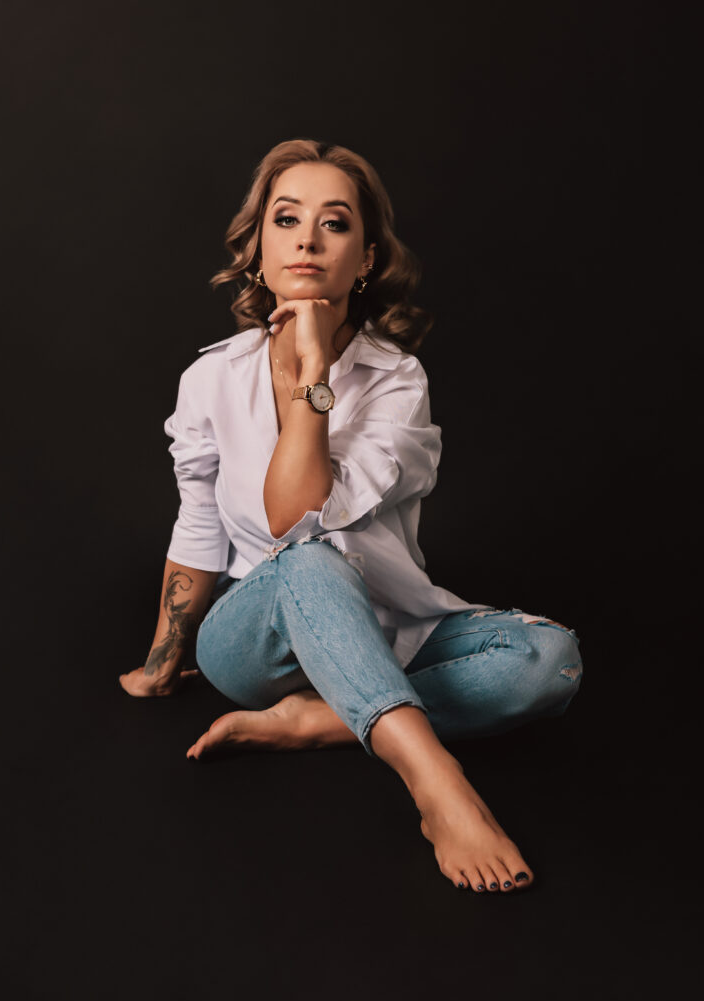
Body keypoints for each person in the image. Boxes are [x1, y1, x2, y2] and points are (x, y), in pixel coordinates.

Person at [119, 139, 583, 894]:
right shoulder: (210, 379)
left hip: (383, 629)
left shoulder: (397, 380)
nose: (307, 239)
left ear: (365, 259)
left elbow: (303, 505)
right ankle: (437, 783)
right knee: (309, 555)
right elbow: (241, 524)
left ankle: (317, 721)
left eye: (334, 223)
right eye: (286, 219)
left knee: (548, 659)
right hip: (256, 641)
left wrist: (314, 373)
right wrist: (161, 664)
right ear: (258, 248)